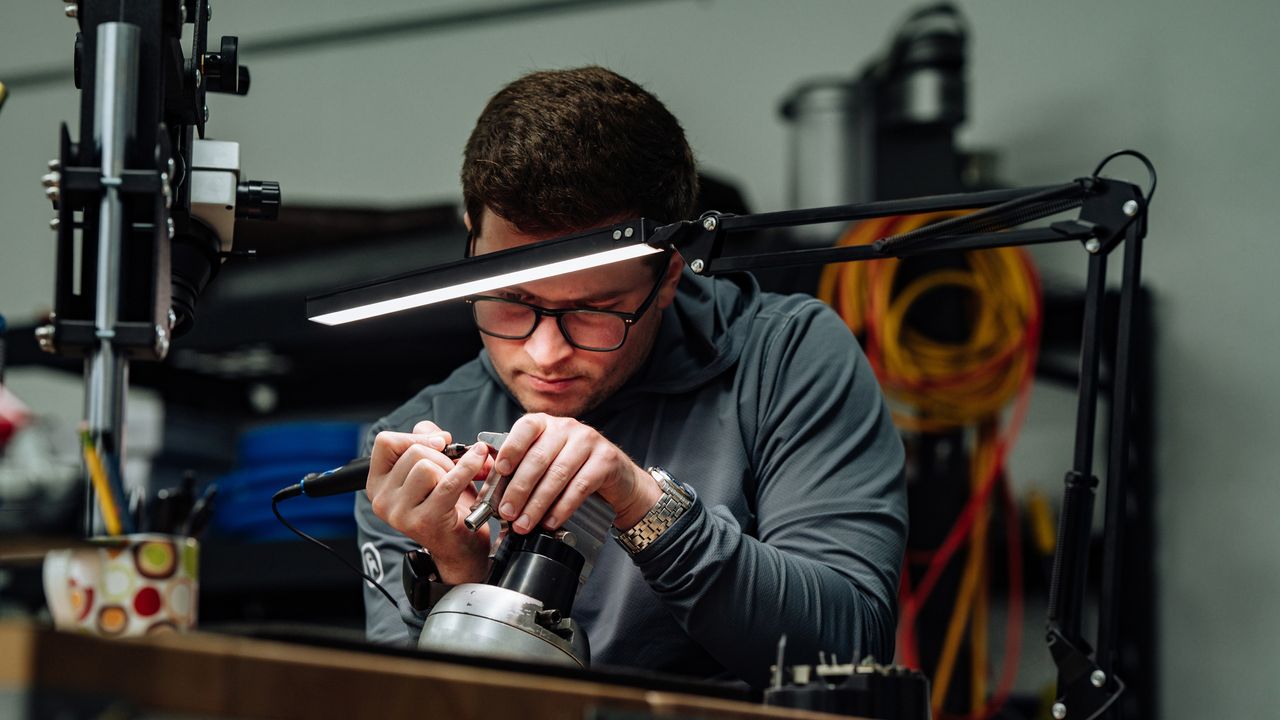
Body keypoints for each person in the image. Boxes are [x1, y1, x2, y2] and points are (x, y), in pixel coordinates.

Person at [356, 66, 906, 689]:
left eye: (591, 310)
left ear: (669, 276)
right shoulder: (410, 450)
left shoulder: (786, 358)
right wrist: (457, 577)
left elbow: (851, 644)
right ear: (472, 244)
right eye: (510, 300)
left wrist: (643, 504)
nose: (544, 352)